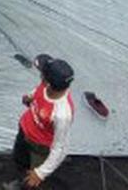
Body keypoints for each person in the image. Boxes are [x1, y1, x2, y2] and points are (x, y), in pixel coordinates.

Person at [14, 54, 75, 187]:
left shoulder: (62, 114)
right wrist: (30, 97)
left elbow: (60, 148)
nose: (40, 75)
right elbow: (38, 91)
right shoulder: (49, 86)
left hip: (39, 148)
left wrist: (40, 173)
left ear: (47, 81)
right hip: (25, 130)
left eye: (42, 74)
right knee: (20, 159)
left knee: (32, 180)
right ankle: (21, 173)